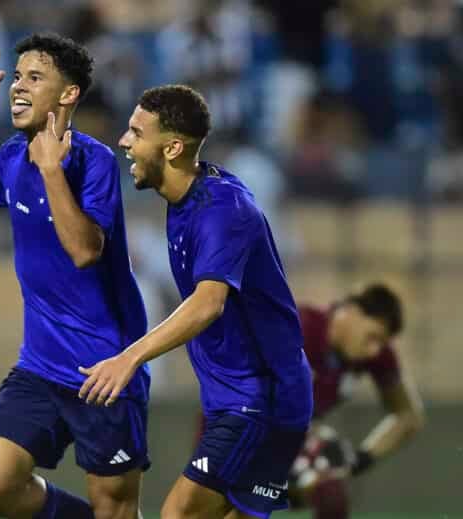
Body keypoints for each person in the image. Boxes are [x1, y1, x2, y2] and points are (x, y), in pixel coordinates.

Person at [79, 85, 313, 519]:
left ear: (172, 147)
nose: (123, 141)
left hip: (262, 398)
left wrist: (129, 358)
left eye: (136, 132)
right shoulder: (189, 196)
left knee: (179, 514)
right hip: (235, 397)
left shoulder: (223, 209)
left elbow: (209, 304)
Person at [0, 33, 150, 519]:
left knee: (115, 506)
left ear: (68, 95)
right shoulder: (13, 157)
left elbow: (84, 251)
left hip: (103, 372)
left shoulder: (94, 161)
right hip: (39, 366)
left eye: (34, 78)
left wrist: (52, 173)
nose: (18, 87)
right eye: (17, 77)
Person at [284, 283, 425, 519]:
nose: (374, 350)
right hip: (240, 431)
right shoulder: (300, 326)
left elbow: (409, 415)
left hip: (291, 442)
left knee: (331, 495)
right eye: (373, 337)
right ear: (350, 312)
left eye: (381, 342)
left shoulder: (378, 356)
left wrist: (363, 459)